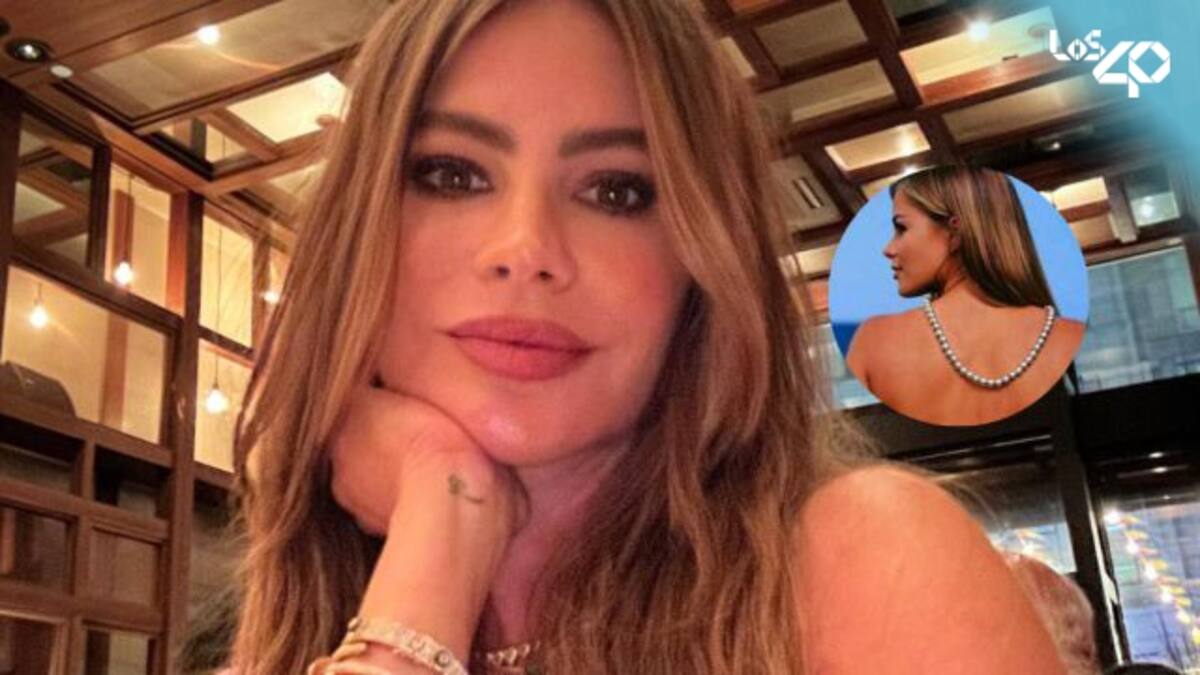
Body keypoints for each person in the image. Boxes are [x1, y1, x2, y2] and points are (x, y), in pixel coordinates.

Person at [223, 1, 1072, 673]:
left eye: (618, 192)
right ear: (359, 230)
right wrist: (440, 522)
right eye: (452, 174)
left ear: (701, 261)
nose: (526, 248)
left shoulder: (868, 563)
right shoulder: (298, 621)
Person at [846, 165, 1086, 426]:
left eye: (901, 228)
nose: (888, 248)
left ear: (955, 232)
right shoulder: (1065, 335)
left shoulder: (875, 341)